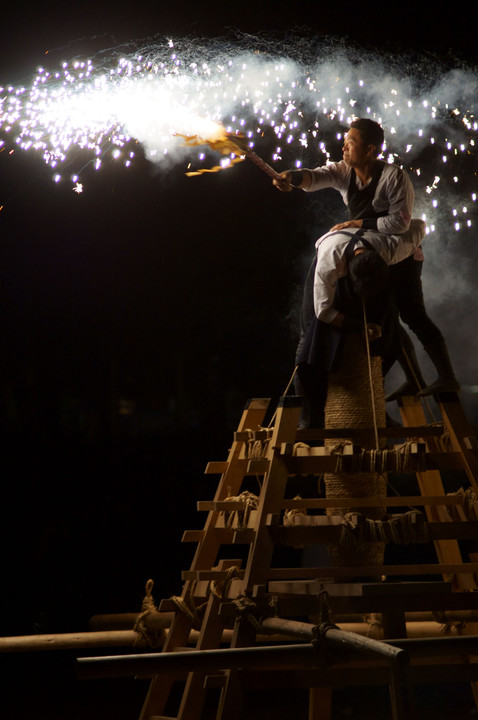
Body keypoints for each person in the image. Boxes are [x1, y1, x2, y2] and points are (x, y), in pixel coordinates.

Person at [274, 118, 459, 400]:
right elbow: (315, 176)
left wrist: (358, 224)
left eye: (351, 142)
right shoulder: (344, 170)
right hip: (372, 254)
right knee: (387, 316)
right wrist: (292, 177)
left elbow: (399, 223)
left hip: (402, 254)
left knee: (412, 313)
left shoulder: (394, 177)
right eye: (346, 140)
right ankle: (416, 379)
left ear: (371, 149)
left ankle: (447, 378)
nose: (344, 146)